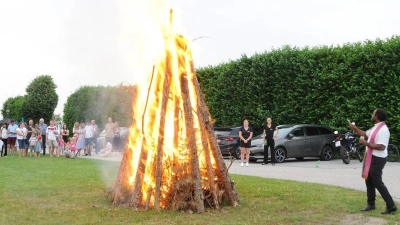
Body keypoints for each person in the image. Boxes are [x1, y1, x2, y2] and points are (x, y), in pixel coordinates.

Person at [349, 108, 397, 214]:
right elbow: (365, 134)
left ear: (377, 117)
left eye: (373, 114)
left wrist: (366, 144)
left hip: (378, 158)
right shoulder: (376, 128)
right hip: (372, 157)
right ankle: (371, 204)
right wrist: (355, 128)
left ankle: (391, 205)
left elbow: (382, 146)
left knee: (377, 181)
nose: (372, 115)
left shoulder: (383, 130)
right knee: (369, 179)